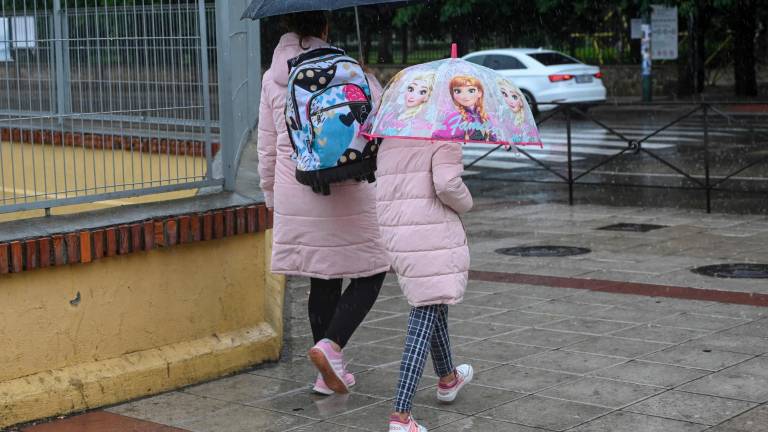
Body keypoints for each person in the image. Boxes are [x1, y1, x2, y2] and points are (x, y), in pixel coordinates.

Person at [256, 11, 389, 395]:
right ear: (326, 26)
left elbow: (267, 148)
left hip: (298, 186)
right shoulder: (349, 67)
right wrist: (369, 79)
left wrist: (271, 196)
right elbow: (379, 123)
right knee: (373, 268)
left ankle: (327, 373)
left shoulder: (272, 77)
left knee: (323, 274)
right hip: (350, 183)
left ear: (286, 26)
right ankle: (331, 346)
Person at [375, 133, 475, 431]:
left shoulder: (391, 136)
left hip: (396, 228)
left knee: (433, 300)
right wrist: (467, 202)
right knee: (425, 312)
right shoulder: (443, 137)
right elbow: (447, 185)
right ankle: (401, 415)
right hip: (430, 231)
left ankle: (448, 379)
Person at [432, 75, 496, 142]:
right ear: (453, 95)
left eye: (471, 90)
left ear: (479, 93)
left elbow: (494, 139)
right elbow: (440, 136)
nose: (465, 96)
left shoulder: (484, 116)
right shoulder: (455, 117)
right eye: (458, 91)